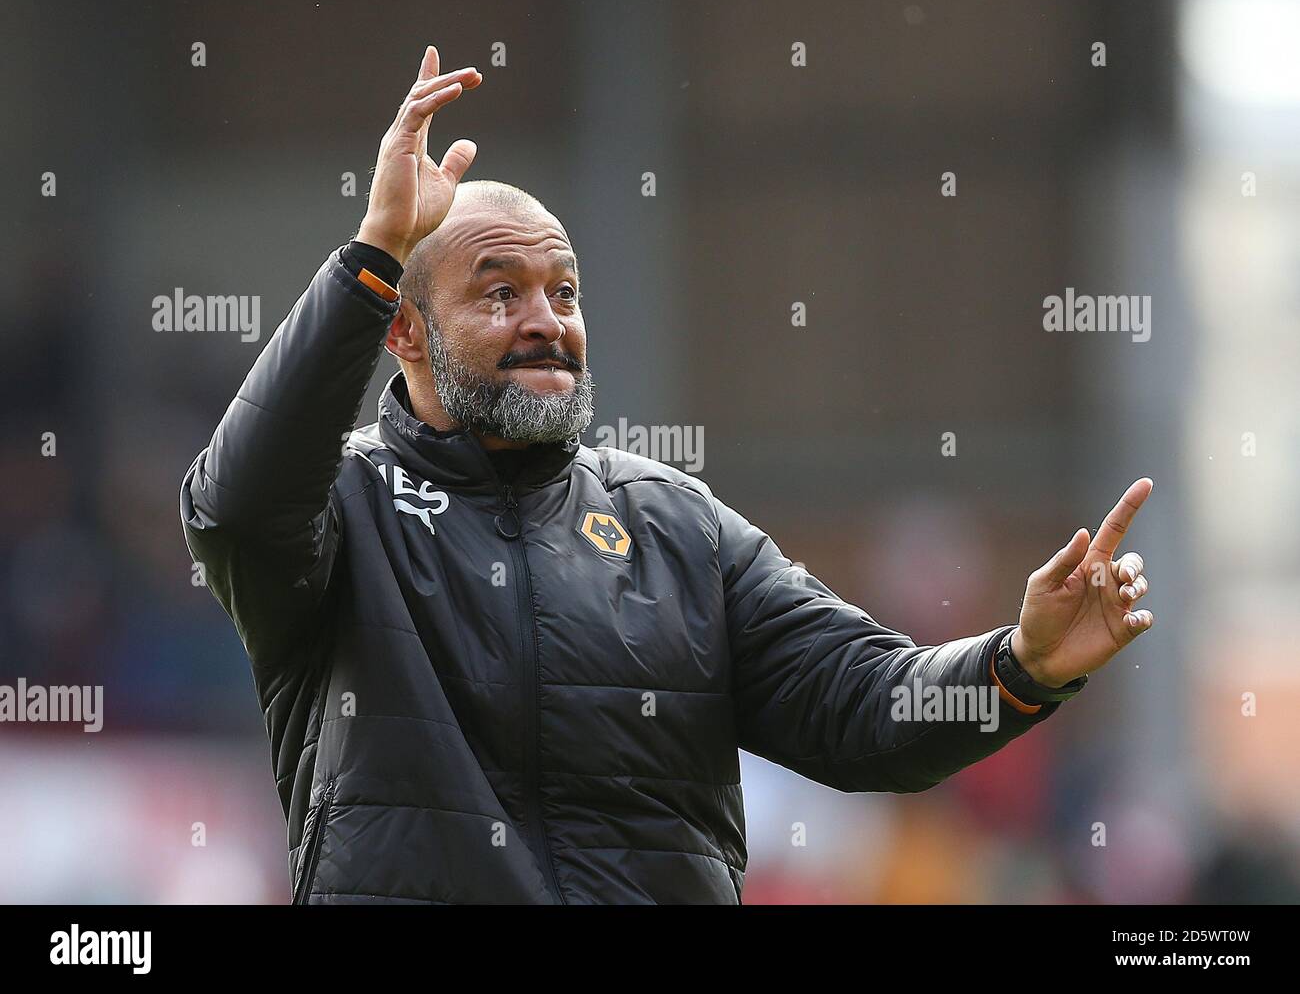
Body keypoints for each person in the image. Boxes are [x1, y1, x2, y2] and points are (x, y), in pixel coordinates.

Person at [180, 45, 1156, 904]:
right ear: (402, 330)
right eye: (499, 292)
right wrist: (373, 254)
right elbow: (234, 511)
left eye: (563, 290)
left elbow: (863, 706)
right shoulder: (344, 505)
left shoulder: (675, 528)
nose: (546, 319)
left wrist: (1018, 669)